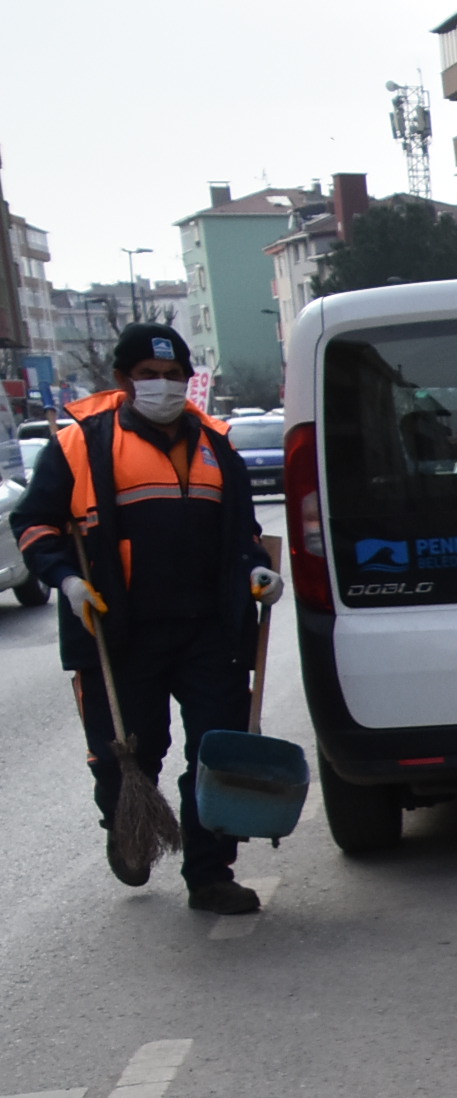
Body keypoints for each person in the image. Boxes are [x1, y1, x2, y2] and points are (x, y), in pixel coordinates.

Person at [9, 324, 275, 912]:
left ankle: (210, 875)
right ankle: (126, 821)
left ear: (188, 379)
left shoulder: (217, 443)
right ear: (124, 381)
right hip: (117, 630)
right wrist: (67, 579)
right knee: (128, 751)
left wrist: (255, 569)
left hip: (210, 629)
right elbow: (34, 523)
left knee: (216, 751)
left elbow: (242, 533)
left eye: (173, 375)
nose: (163, 386)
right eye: (149, 377)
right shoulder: (80, 443)